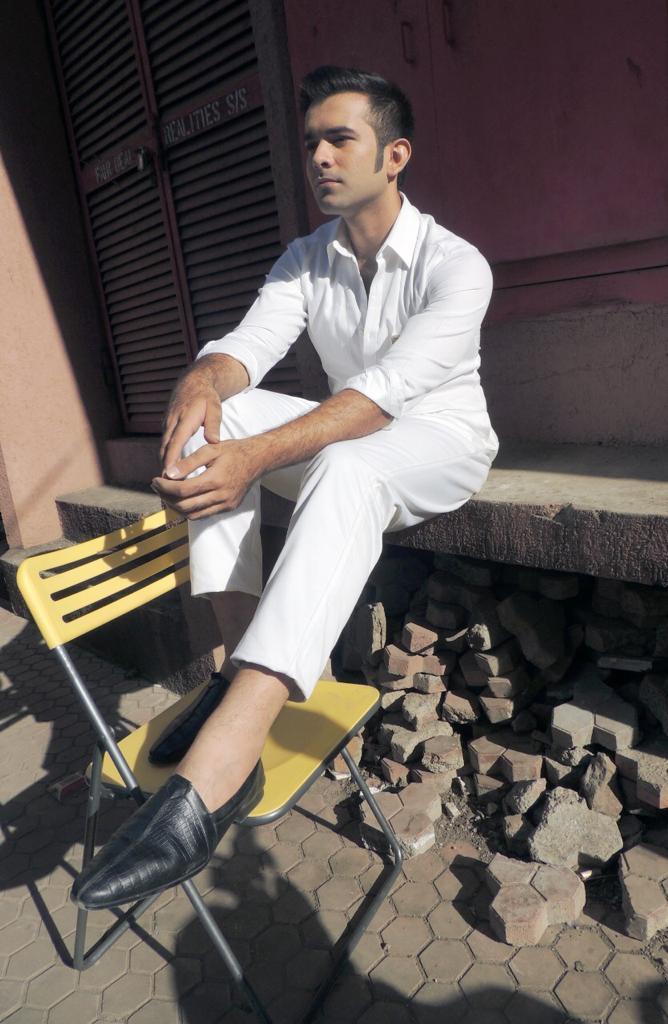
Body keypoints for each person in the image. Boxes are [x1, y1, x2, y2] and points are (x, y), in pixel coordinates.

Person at [72, 65, 499, 910]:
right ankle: (234, 672)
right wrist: (201, 388)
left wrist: (257, 456)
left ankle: (227, 756)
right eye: (311, 143)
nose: (319, 158)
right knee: (221, 419)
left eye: (340, 139)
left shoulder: (457, 265)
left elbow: (382, 397)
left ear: (395, 156)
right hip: (356, 437)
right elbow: (246, 346)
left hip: (440, 442)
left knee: (340, 461)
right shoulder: (308, 259)